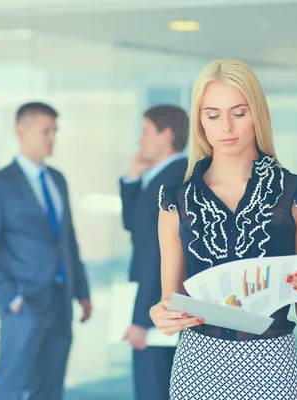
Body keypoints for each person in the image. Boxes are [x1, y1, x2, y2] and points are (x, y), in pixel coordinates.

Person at [149, 58, 297, 399]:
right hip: (196, 366)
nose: (226, 128)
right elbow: (169, 303)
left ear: (257, 114)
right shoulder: (176, 202)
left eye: (239, 112)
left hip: (272, 365)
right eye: (213, 114)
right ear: (200, 120)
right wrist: (160, 315)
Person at [0, 102, 92, 400]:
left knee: (50, 388)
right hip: (24, 305)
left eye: (55, 131)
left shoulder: (57, 180)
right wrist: (10, 297)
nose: (52, 138)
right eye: (45, 131)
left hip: (60, 302)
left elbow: (68, 241)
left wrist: (82, 293)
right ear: (21, 130)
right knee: (10, 387)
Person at [119, 104, 188, 400]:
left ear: (166, 135)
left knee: (154, 388)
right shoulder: (168, 175)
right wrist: (133, 179)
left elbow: (154, 257)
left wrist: (140, 321)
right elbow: (134, 224)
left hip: (157, 310)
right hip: (166, 306)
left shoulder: (169, 181)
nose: (139, 141)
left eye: (145, 132)